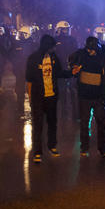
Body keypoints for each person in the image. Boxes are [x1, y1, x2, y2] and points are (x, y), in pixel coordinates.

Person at [25, 35, 72, 163]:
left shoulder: (54, 58)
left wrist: (71, 72)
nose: (54, 49)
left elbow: (60, 73)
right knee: (38, 125)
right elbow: (28, 79)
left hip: (51, 96)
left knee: (52, 123)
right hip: (38, 97)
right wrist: (30, 97)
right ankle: (37, 152)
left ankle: (52, 146)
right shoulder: (33, 58)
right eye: (52, 47)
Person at [70, 37, 105, 157]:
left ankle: (102, 148)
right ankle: (85, 147)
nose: (91, 52)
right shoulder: (81, 55)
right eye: (89, 49)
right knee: (84, 123)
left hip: (98, 96)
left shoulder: (102, 57)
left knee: (101, 123)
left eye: (93, 49)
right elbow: (71, 62)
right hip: (85, 96)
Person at [54, 20, 79, 120]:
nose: (65, 31)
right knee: (62, 92)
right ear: (59, 30)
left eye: (67, 29)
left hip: (71, 68)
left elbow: (76, 53)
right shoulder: (54, 40)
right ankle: (64, 113)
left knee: (74, 91)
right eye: (63, 29)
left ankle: (75, 115)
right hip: (60, 69)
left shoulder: (72, 40)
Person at [11, 26, 35, 113]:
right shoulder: (17, 44)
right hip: (20, 71)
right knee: (19, 90)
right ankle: (20, 108)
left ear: (26, 34)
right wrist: (15, 69)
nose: (20, 35)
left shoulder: (32, 44)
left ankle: (34, 108)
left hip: (29, 71)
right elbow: (14, 57)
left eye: (22, 34)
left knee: (31, 91)